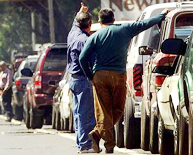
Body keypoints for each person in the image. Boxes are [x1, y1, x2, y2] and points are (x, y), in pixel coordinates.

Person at [79, 8, 170, 153]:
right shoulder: (125, 29)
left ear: (99, 21)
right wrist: (162, 15)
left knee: (104, 111)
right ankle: (108, 145)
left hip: (100, 75)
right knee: (118, 109)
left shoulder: (94, 37)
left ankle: (97, 134)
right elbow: (146, 23)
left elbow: (82, 58)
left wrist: (90, 76)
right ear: (114, 20)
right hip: (118, 75)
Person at [67, 2, 96, 154]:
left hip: (74, 78)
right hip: (83, 79)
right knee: (86, 114)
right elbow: (87, 61)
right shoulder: (85, 40)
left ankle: (81, 145)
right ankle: (85, 145)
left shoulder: (73, 34)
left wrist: (80, 12)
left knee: (79, 114)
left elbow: (75, 24)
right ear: (90, 25)